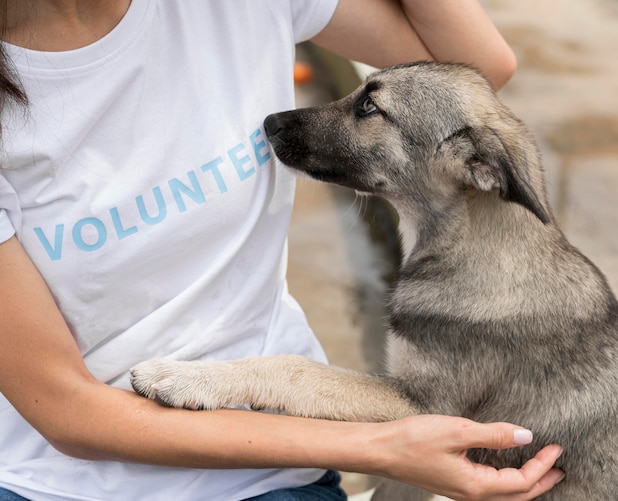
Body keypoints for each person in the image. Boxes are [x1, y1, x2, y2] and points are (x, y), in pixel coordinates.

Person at [0, 1, 564, 500]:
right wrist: (377, 447)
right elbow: (66, 408)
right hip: (51, 481)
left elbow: (475, 72)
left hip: (267, 473)